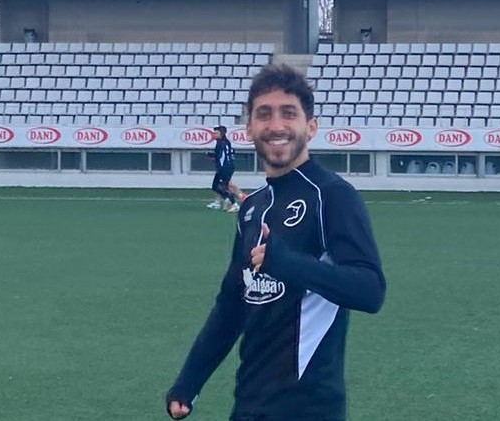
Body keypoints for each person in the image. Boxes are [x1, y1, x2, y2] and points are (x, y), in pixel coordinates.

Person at [165, 64, 386, 421]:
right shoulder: (253, 207)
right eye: (263, 114)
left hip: (308, 408)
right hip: (250, 403)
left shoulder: (332, 196)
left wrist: (288, 263)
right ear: (249, 128)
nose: (276, 125)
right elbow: (231, 305)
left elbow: (370, 290)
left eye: (289, 113)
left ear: (310, 126)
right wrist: (188, 381)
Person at [206, 125, 243, 213]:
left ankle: (234, 204)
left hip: (225, 167)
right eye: (214, 133)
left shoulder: (222, 143)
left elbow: (222, 157)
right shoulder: (223, 142)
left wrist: (218, 163)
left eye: (216, 133)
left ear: (222, 134)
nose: (214, 134)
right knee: (215, 186)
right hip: (224, 167)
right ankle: (226, 200)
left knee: (225, 187)